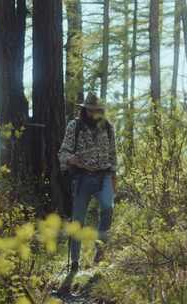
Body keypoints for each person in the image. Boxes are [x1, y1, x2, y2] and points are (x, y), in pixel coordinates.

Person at [58, 92, 117, 273]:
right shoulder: (74, 126)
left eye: (97, 110)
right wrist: (71, 160)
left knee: (108, 207)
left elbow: (113, 154)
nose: (94, 113)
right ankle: (75, 262)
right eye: (90, 110)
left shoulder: (108, 127)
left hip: (104, 176)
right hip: (82, 177)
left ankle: (100, 250)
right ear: (85, 110)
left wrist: (114, 176)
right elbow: (63, 153)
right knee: (78, 220)